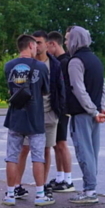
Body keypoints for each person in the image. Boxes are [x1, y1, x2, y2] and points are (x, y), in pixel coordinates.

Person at [2, 35, 53, 207]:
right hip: (35, 117)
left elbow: (11, 90)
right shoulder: (40, 67)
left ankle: (10, 194)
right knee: (38, 157)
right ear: (31, 45)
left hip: (15, 116)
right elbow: (45, 91)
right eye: (35, 46)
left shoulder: (8, 66)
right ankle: (40, 195)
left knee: (12, 156)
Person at [65, 26, 105, 204]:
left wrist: (92, 110)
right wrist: (100, 108)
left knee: (84, 152)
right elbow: (103, 86)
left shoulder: (75, 61)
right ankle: (91, 187)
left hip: (82, 113)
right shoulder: (95, 60)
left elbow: (78, 89)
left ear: (75, 40)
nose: (67, 43)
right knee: (93, 152)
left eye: (68, 39)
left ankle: (89, 190)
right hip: (94, 114)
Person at [33, 30, 65, 193]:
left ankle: (43, 185)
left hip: (49, 113)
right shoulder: (27, 63)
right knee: (24, 149)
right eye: (34, 42)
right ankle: (15, 187)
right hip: (30, 115)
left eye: (39, 42)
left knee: (47, 149)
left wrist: (58, 111)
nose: (36, 46)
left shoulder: (55, 64)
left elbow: (61, 88)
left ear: (46, 44)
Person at [46, 31, 75, 192]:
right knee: (56, 144)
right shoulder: (57, 61)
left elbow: (66, 88)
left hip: (62, 109)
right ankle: (60, 177)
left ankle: (69, 180)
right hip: (57, 108)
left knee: (62, 143)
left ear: (53, 44)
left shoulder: (65, 62)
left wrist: (65, 108)